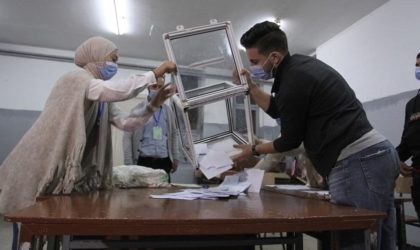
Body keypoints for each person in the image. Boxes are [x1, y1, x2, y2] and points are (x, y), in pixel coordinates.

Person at [232, 21, 399, 249]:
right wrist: (251, 88)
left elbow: (290, 141)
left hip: (357, 161)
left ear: (274, 57)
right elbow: (277, 109)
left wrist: (252, 150)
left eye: (255, 62)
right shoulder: (297, 69)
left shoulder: (294, 80)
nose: (252, 67)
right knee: (381, 239)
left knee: (354, 240)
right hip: (372, 157)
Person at [0, 36, 177, 215]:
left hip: (63, 173)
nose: (115, 65)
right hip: (41, 161)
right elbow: (119, 91)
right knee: (27, 216)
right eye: (113, 59)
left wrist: (154, 103)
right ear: (96, 55)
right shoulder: (76, 79)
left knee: (44, 216)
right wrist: (155, 73)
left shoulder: (101, 97)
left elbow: (127, 123)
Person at [123, 76, 180, 182]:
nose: (157, 90)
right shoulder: (137, 110)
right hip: (143, 163)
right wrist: (128, 163)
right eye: (154, 86)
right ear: (148, 87)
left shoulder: (168, 112)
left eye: (160, 87)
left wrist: (175, 157)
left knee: (164, 196)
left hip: (164, 162)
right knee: (142, 196)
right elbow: (127, 136)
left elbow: (174, 134)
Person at [396, 52, 420, 220]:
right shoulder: (412, 105)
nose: (418, 69)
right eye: (417, 66)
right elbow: (406, 143)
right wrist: (395, 159)